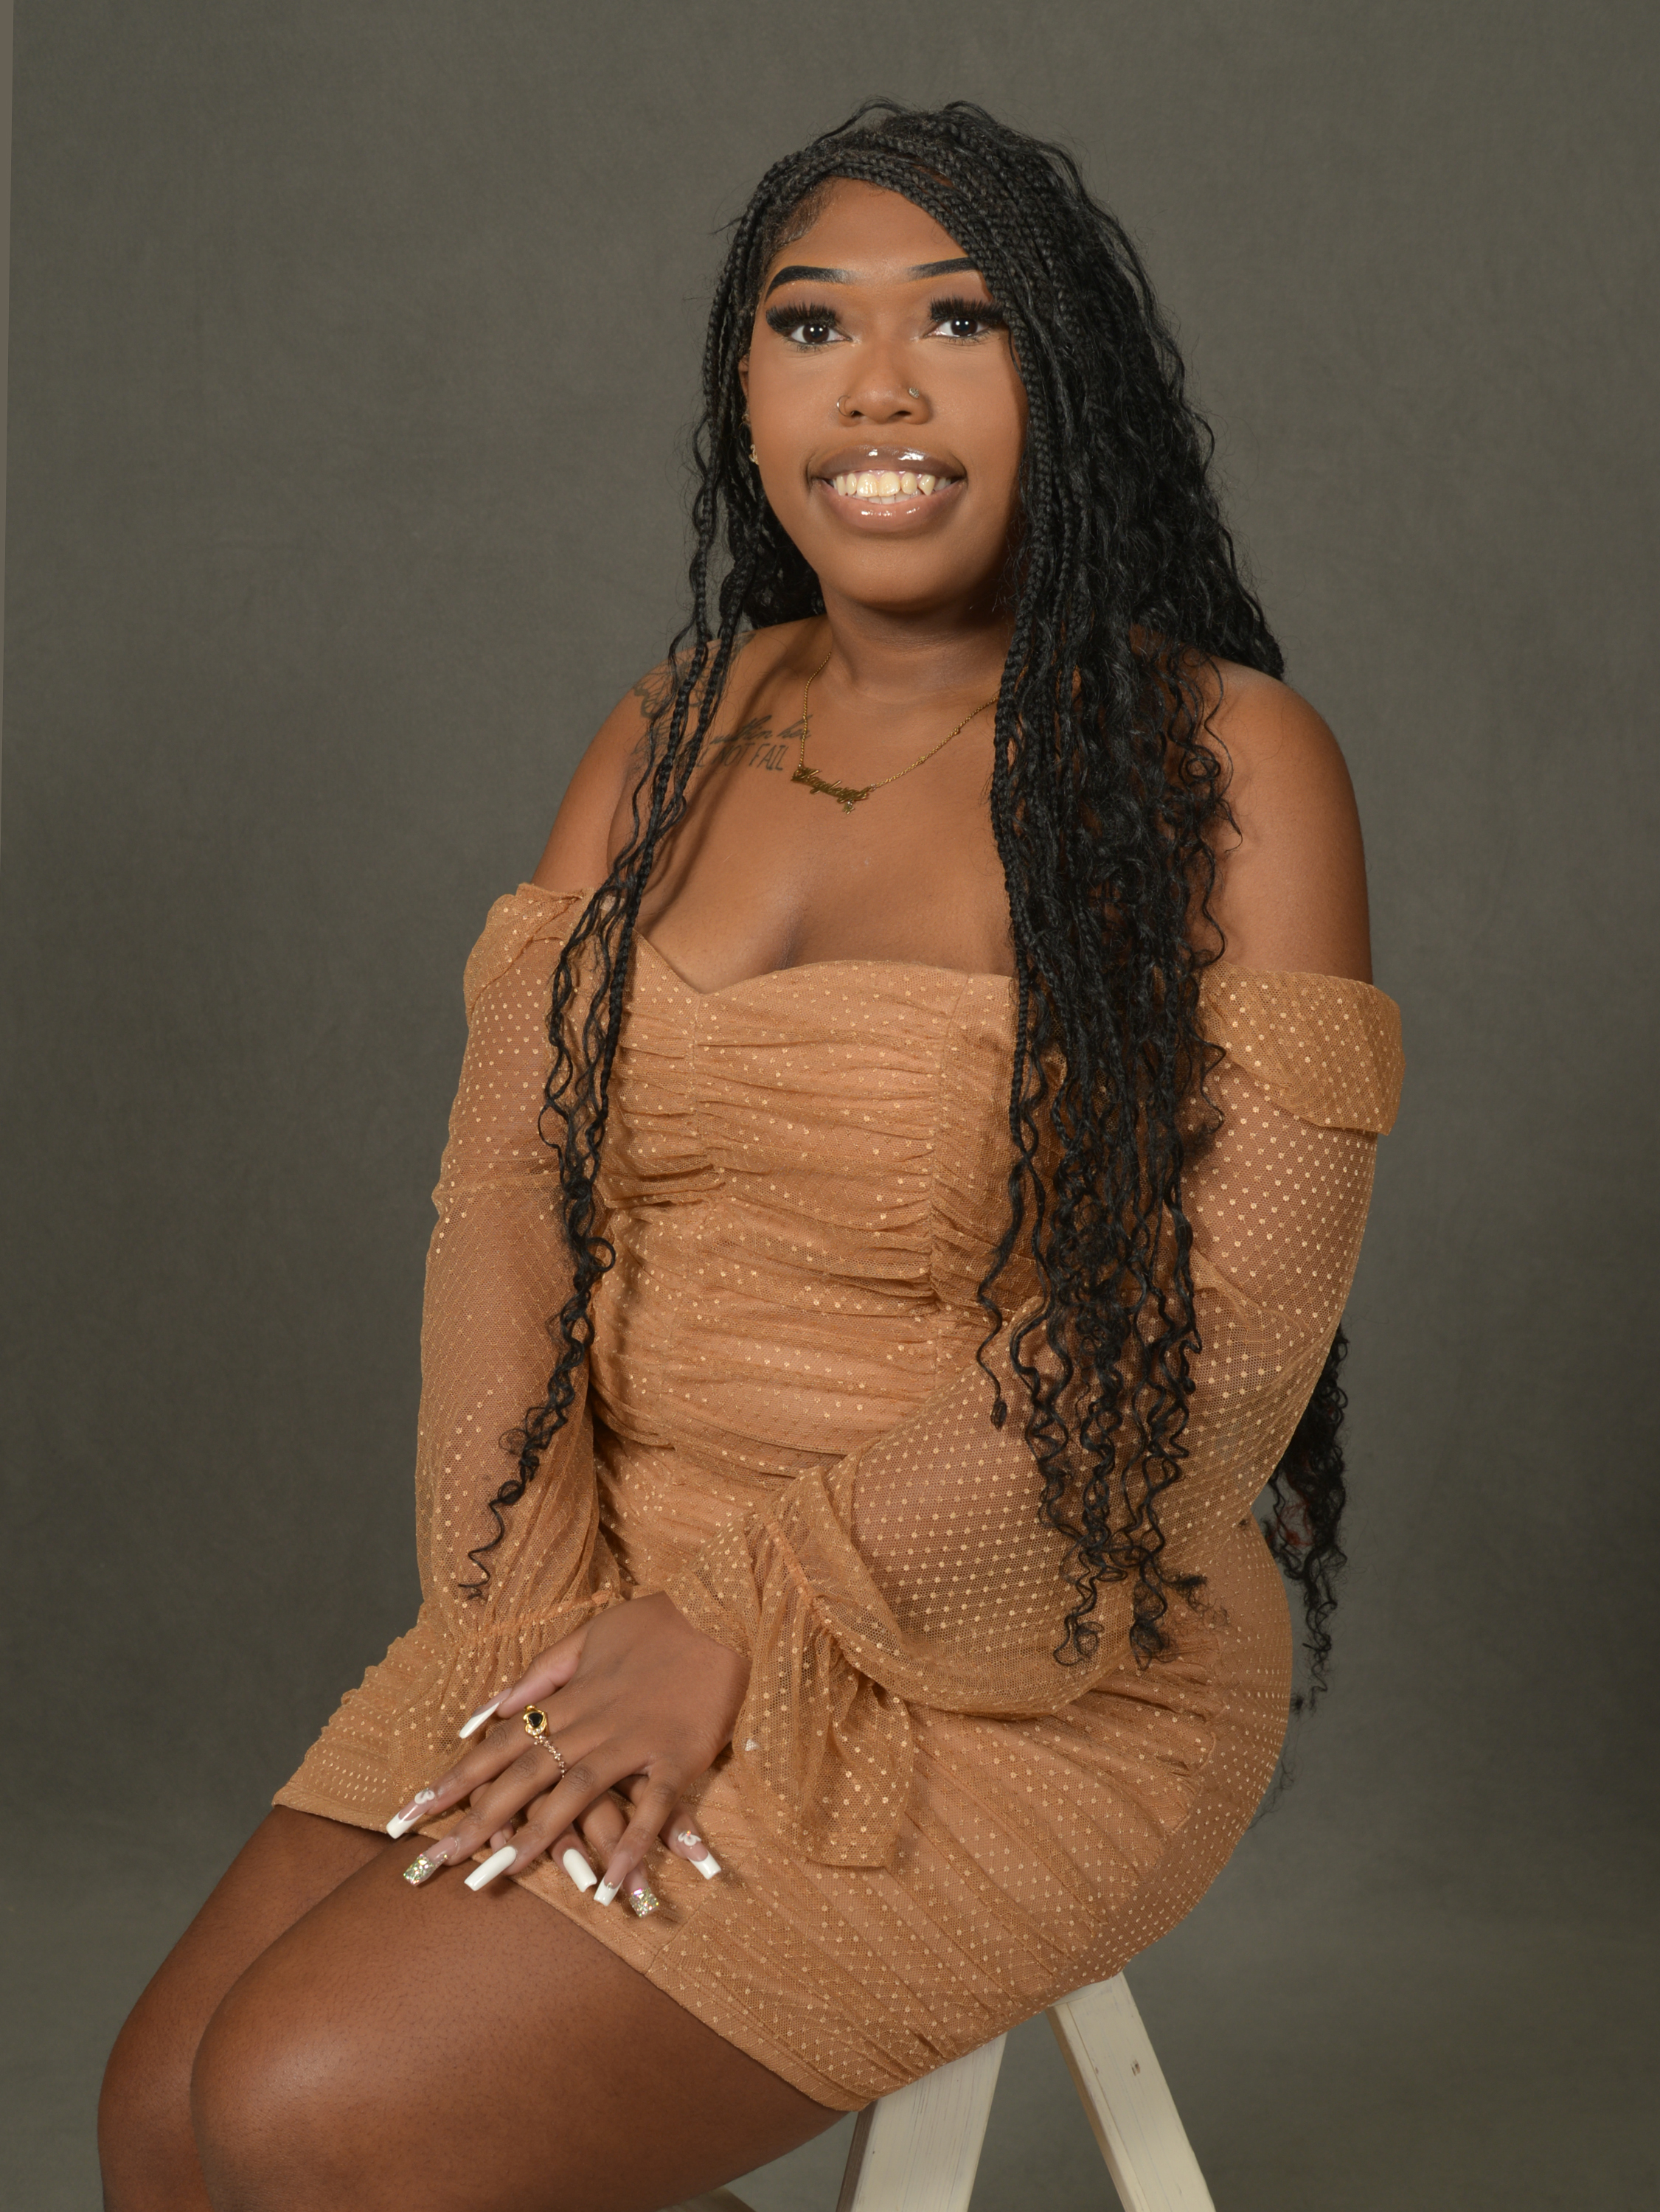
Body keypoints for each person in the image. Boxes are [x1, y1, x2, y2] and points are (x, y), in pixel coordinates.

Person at [99, 100, 1401, 2212]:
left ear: (1068, 380)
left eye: (959, 322)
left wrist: (744, 1619)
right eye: (812, 326)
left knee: (315, 2112)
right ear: (746, 390)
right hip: (601, 1591)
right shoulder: (666, 729)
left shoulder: (1229, 763)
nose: (877, 388)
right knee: (164, 2126)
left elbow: (1222, 1340)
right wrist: (530, 1623)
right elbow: (503, 1215)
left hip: (1010, 1643)